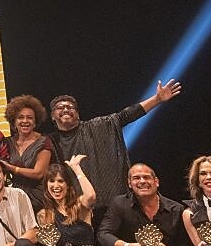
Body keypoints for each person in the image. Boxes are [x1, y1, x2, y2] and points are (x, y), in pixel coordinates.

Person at [46, 79, 182, 211]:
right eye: (60, 108)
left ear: (78, 114)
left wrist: (157, 99)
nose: (66, 109)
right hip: (78, 208)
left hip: (115, 205)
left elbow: (126, 115)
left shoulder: (99, 125)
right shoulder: (50, 141)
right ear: (52, 116)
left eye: (70, 107)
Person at [0, 95, 52, 210]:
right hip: (12, 197)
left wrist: (12, 168)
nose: (25, 121)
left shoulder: (44, 142)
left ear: (35, 121)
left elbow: (38, 173)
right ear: (14, 121)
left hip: (36, 199)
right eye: (20, 117)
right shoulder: (7, 142)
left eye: (30, 118)